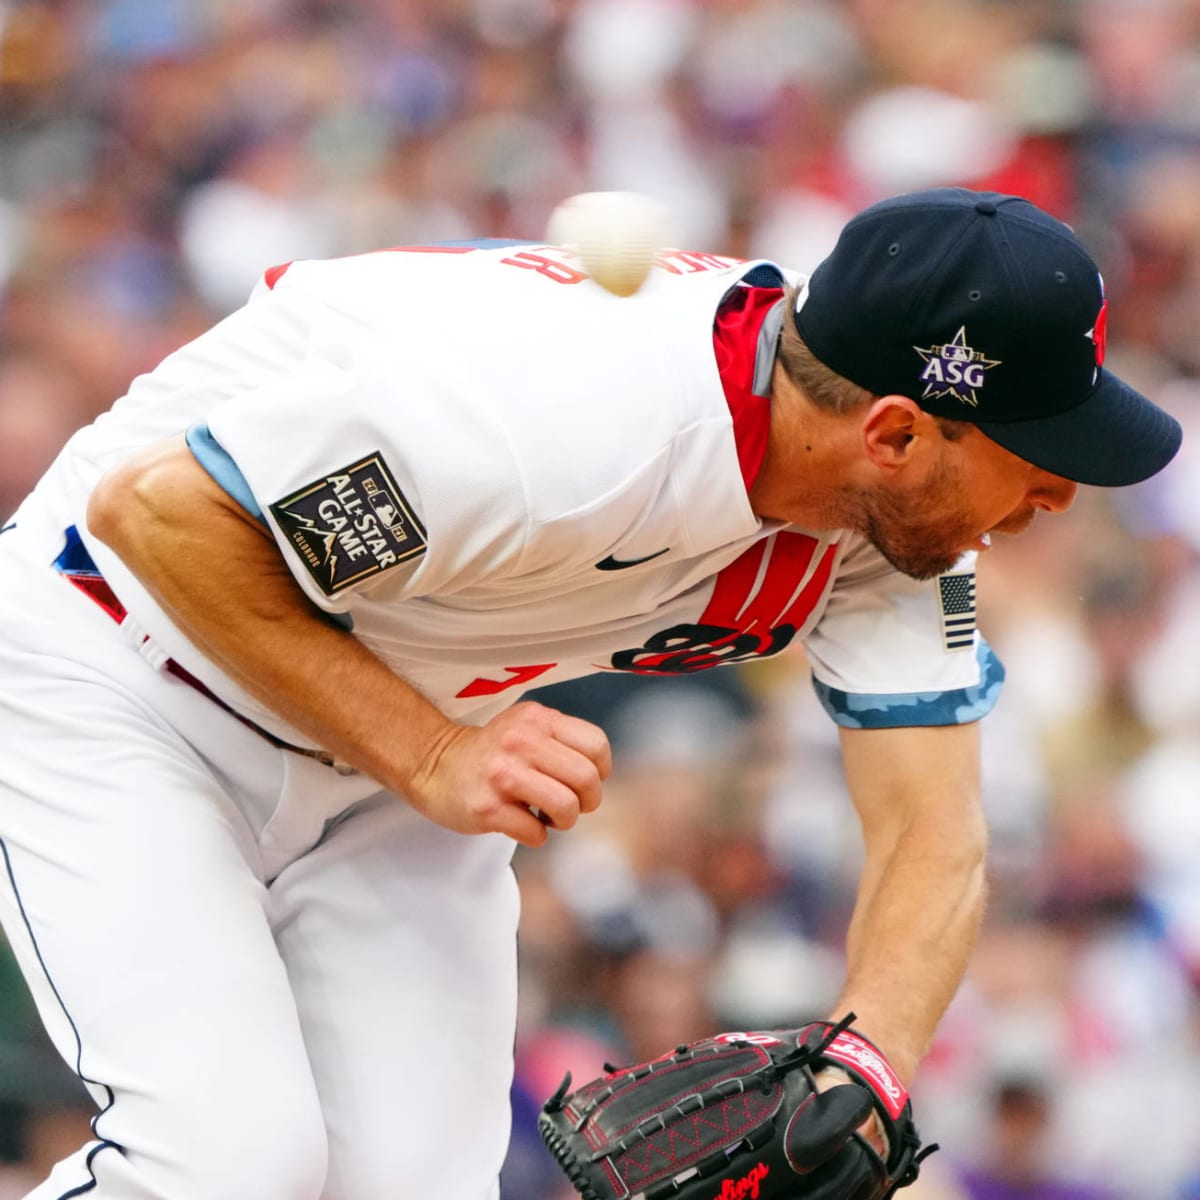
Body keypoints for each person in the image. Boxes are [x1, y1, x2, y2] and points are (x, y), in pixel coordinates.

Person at [0, 187, 1181, 1200]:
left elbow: (935, 828)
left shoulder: (896, 528)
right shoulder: (573, 414)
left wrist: (865, 1066)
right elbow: (155, 516)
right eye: (1035, 454)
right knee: (223, 1164)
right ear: (894, 433)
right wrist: (429, 757)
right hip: (117, 665)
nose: (1061, 497)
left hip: (392, 738)